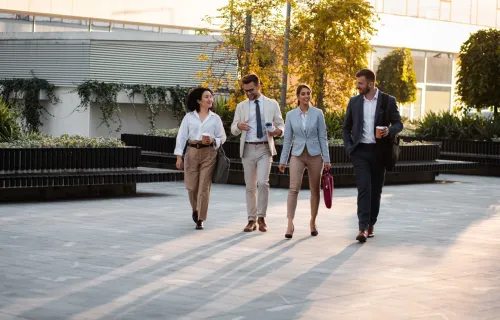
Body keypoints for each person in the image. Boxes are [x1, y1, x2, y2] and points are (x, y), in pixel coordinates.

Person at [342, 69, 403, 242]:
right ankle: (362, 228)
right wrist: (349, 147)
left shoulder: (387, 101)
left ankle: (371, 224)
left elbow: (399, 124)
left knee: (375, 191)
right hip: (360, 152)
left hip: (379, 152)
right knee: (364, 188)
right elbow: (346, 127)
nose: (357, 86)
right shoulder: (354, 101)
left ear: (370, 83)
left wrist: (388, 130)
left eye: (360, 83)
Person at [231, 73, 285, 232]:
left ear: (259, 86)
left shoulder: (271, 104)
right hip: (247, 148)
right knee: (250, 186)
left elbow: (282, 125)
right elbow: (233, 128)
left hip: (264, 148)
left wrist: (277, 132)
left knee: (263, 183)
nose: (248, 93)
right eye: (245, 91)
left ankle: (262, 218)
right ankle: (251, 220)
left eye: (251, 90)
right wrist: (239, 126)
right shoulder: (241, 106)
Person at [279, 84, 331, 239]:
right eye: (303, 94)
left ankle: (313, 222)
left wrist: (326, 159)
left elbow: (323, 137)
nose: (306, 96)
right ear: (298, 96)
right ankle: (290, 224)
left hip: (315, 156)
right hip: (297, 155)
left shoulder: (318, 113)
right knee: (293, 189)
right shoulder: (290, 115)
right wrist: (283, 160)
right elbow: (288, 139)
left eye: (308, 93)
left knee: (315, 190)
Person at [174, 87, 227, 230]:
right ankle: (195, 209)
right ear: (198, 100)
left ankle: (200, 218)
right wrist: (179, 157)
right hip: (191, 152)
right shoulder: (189, 117)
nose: (210, 99)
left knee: (204, 186)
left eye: (211, 96)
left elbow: (222, 137)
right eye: (206, 97)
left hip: (209, 153)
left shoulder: (215, 118)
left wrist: (213, 140)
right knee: (191, 187)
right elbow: (181, 137)